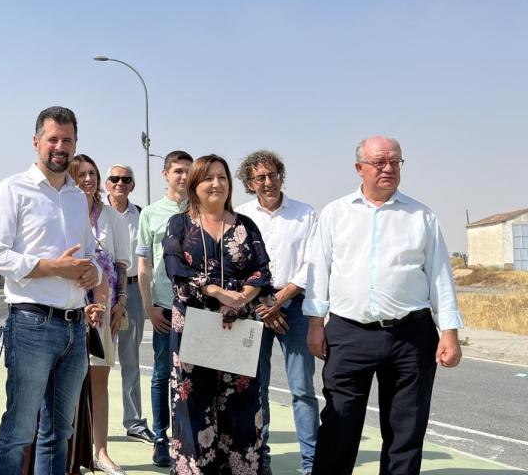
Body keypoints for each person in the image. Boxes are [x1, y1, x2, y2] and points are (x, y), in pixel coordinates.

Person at [304, 136, 464, 475]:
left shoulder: (421, 216)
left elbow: (439, 277)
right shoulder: (335, 213)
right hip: (349, 334)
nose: (388, 168)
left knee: (406, 431)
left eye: (395, 162)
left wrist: (449, 332)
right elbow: (319, 270)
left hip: (411, 336)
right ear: (359, 168)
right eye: (379, 162)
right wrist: (316, 323)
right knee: (338, 425)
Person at [0, 106, 102, 475]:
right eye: (53, 138)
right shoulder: (12, 189)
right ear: (37, 142)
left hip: (74, 326)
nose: (60, 146)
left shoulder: (76, 197)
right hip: (32, 324)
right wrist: (54, 267)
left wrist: (92, 272)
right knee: (19, 431)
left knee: (59, 433)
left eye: (67, 140)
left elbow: (90, 254)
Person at [163, 154, 273, 474]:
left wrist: (242, 297)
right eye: (208, 177)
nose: (216, 184)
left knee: (241, 405)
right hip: (194, 326)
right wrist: (216, 292)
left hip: (236, 325)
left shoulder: (245, 225)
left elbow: (262, 269)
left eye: (222, 177)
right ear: (195, 184)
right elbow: (177, 269)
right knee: (193, 404)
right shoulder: (180, 224)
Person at [235, 151, 320, 475]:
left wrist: (280, 299)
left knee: (302, 390)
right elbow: (237, 265)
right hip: (253, 309)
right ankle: (261, 460)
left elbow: (313, 262)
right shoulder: (240, 216)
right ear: (248, 183)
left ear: (281, 176)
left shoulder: (306, 214)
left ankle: (311, 464)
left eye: (273, 175)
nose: (268, 182)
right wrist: (262, 306)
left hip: (295, 308)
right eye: (260, 177)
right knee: (255, 388)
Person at [70, 154, 131, 475]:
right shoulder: (64, 212)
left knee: (99, 380)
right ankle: (72, 454)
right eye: (81, 174)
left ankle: (101, 452)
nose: (88, 179)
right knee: (68, 382)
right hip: (67, 307)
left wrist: (119, 302)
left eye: (92, 173)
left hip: (102, 313)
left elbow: (121, 265)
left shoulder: (113, 218)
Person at [136, 150, 193, 467]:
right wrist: (148, 306)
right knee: (161, 375)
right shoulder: (151, 215)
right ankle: (160, 437)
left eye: (187, 171)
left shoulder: (200, 211)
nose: (183, 177)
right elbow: (143, 264)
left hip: (196, 308)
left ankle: (186, 437)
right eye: (178, 171)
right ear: (166, 174)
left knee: (191, 376)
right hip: (163, 307)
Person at [105, 164, 156, 445]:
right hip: (99, 294)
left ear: (132, 186)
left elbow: (145, 259)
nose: (120, 183)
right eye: (115, 179)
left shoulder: (142, 216)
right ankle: (84, 423)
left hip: (133, 292)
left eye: (126, 180)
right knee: (92, 360)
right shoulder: (96, 214)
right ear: (106, 184)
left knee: (130, 359)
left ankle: (134, 422)